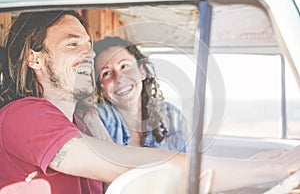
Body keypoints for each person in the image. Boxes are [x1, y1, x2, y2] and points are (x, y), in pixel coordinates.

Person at [0, 10, 188, 194]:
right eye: (72, 44)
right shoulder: (23, 115)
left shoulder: (82, 126)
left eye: (88, 45)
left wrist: (95, 126)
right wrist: (202, 169)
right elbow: (128, 169)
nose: (90, 53)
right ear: (34, 58)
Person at [92, 36, 188, 152]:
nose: (119, 78)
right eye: (106, 73)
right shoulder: (97, 119)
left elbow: (184, 165)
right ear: (100, 87)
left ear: (142, 71)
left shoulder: (173, 117)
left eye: (124, 66)